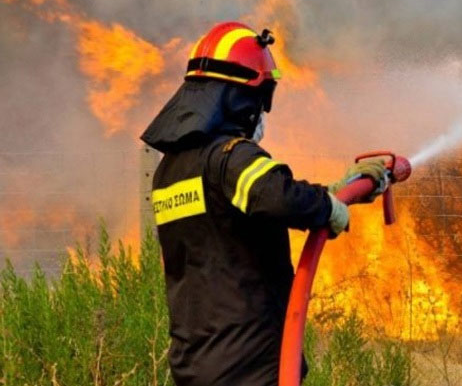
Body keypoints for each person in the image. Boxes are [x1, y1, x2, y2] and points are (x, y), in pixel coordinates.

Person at [140, 22, 387, 386]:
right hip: (250, 363)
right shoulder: (230, 157)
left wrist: (334, 192)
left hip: (196, 364)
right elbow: (278, 196)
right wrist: (328, 208)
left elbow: (245, 207)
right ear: (242, 100)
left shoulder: (171, 170)